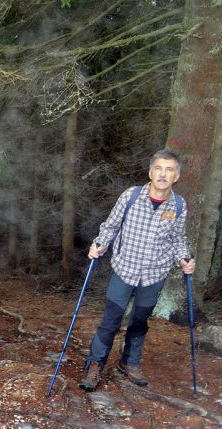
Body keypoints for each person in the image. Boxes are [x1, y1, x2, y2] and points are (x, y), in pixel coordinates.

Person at [79, 150, 195, 391]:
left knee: (140, 321)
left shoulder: (179, 205)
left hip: (154, 275)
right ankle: (94, 365)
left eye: (169, 170)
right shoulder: (131, 196)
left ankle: (129, 363)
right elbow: (110, 226)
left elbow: (177, 240)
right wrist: (99, 244)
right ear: (150, 172)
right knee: (110, 321)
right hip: (124, 269)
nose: (163, 174)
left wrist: (185, 258)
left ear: (177, 176)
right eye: (159, 169)